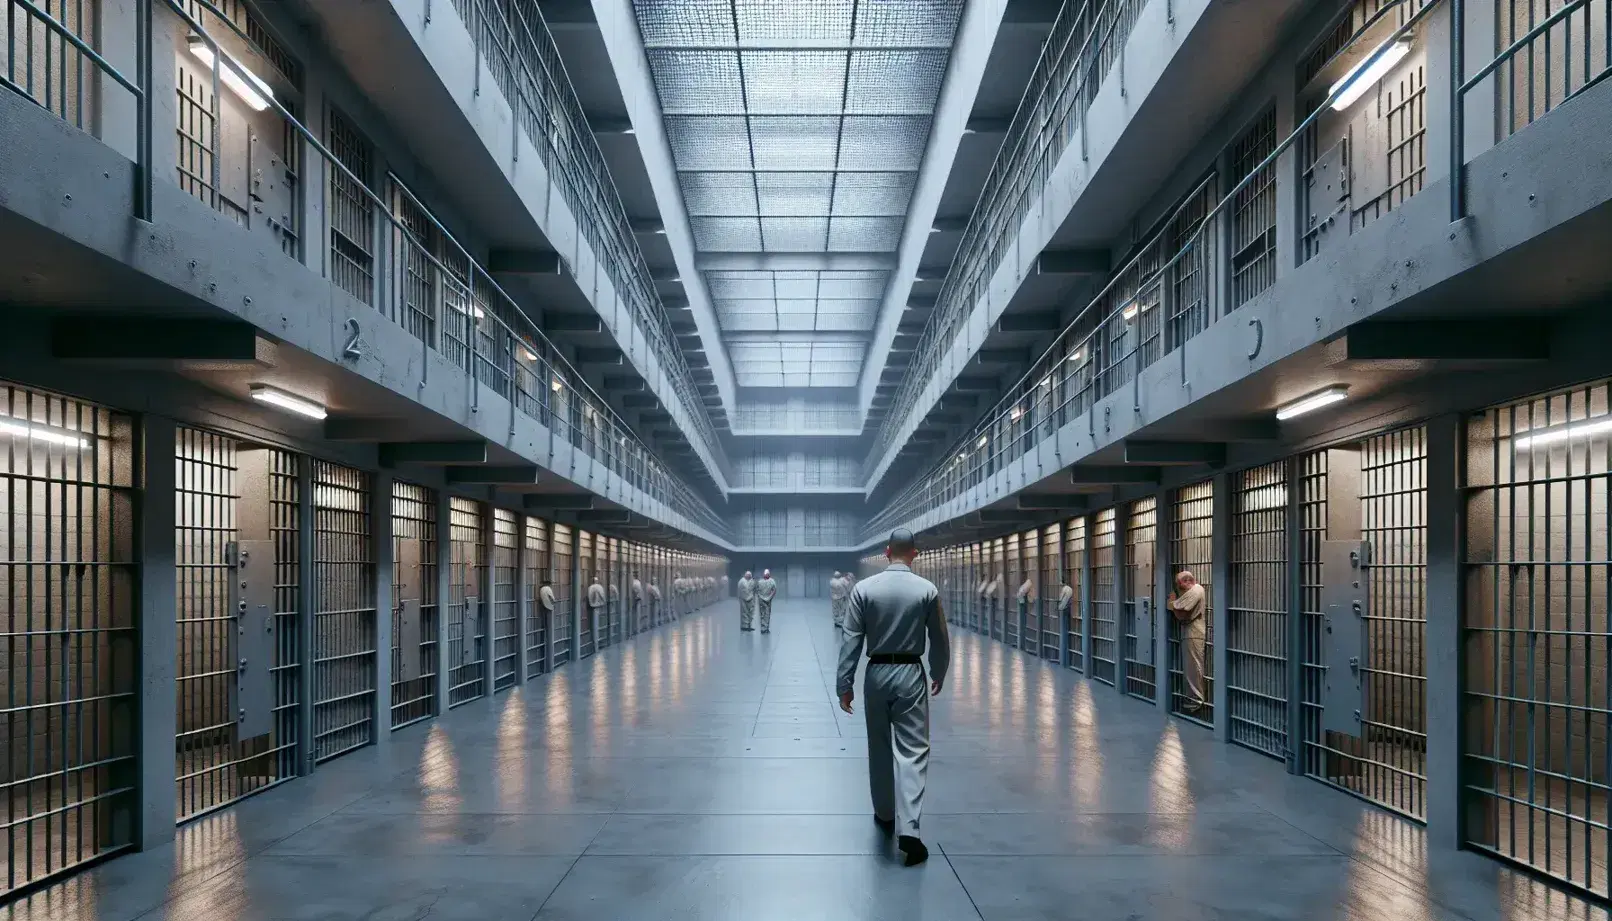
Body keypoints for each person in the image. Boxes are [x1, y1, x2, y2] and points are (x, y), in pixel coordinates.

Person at [837, 529, 950, 867]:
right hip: (911, 672)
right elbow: (939, 638)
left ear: (887, 552)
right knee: (913, 750)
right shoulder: (926, 590)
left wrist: (845, 683)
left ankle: (885, 814)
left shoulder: (863, 589)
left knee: (880, 746)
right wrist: (938, 671)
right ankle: (911, 831)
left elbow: (851, 639)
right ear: (913, 553)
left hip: (876, 673)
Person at [1168, 571, 1208, 712]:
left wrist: (1173, 602)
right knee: (1190, 668)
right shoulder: (1195, 591)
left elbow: (1180, 609)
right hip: (1190, 632)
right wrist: (1175, 606)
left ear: (1186, 582)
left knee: (1193, 669)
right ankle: (1191, 698)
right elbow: (1178, 610)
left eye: (1181, 587)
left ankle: (1195, 702)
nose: (1181, 591)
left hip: (1193, 633)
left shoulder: (1196, 590)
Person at [756, 569, 777, 634]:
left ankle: (765, 628)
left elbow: (774, 590)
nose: (766, 575)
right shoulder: (760, 581)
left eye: (767, 574)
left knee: (766, 614)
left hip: (765, 600)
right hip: (764, 600)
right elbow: (757, 590)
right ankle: (763, 628)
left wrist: (768, 597)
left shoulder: (771, 581)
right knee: (763, 614)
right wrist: (767, 598)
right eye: (765, 574)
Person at [587, 574, 606, 641]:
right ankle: (596, 640)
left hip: (591, 607)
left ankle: (593, 640)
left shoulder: (590, 587)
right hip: (598, 606)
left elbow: (589, 597)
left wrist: (590, 603)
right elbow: (602, 596)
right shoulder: (599, 587)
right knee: (597, 624)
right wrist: (603, 602)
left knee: (593, 624)